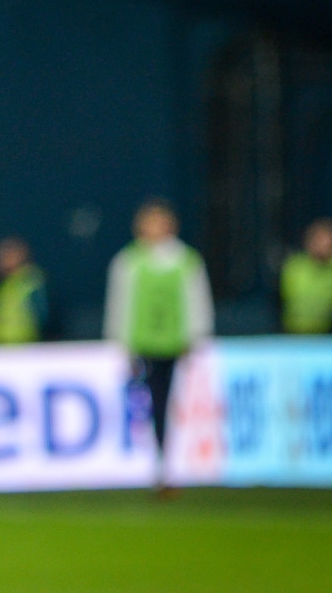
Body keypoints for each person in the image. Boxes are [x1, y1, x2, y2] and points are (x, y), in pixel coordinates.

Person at [104, 199, 213, 495]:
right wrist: (120, 342)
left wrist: (196, 337)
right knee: (150, 405)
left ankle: (175, 464)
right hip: (143, 345)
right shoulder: (128, 261)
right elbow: (119, 304)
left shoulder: (186, 260)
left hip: (176, 345)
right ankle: (154, 464)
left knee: (175, 406)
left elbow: (197, 302)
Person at [0, 236, 47, 344]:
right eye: (0, 256)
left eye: (9, 254)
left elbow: (41, 313)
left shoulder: (30, 279)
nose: (3, 259)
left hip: (25, 341)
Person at [280, 218, 332, 334]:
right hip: (292, 332)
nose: (322, 245)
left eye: (326, 242)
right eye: (318, 240)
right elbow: (285, 296)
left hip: (326, 334)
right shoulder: (295, 266)